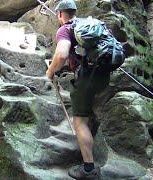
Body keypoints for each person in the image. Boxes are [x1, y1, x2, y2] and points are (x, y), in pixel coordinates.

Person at [46, 0, 111, 179]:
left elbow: (61, 55)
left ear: (60, 14)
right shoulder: (88, 24)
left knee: (79, 122)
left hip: (86, 78)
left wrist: (50, 72)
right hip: (104, 76)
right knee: (88, 113)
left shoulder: (65, 29)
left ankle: (88, 169)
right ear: (75, 11)